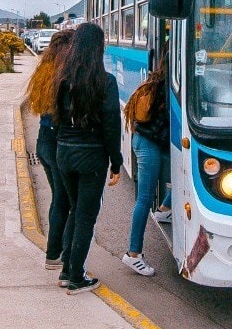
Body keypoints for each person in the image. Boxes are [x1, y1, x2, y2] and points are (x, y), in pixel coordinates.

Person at [52, 23, 122, 294]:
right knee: (85, 216)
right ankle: (76, 277)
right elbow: (111, 125)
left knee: (73, 208)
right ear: (98, 48)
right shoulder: (105, 81)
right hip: (91, 157)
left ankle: (67, 269)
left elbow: (57, 119)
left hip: (64, 153)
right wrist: (116, 162)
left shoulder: (62, 79)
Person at [24, 29, 75, 269]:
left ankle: (57, 251)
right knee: (63, 200)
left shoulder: (44, 71)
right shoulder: (63, 76)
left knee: (59, 198)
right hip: (56, 142)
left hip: (43, 140)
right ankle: (55, 253)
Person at [121, 58, 171, 277]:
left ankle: (164, 210)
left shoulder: (156, 82)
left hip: (148, 141)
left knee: (187, 176)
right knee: (144, 199)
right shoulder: (167, 89)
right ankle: (133, 254)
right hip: (149, 145)